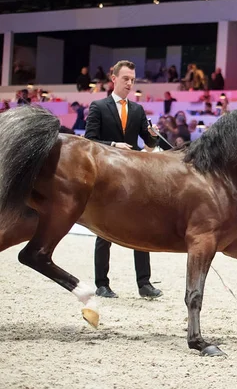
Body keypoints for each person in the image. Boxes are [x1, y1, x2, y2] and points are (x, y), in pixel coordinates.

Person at [84, 60, 163, 299]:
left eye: (132, 80)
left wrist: (152, 137)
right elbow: (89, 141)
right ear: (114, 78)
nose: (130, 83)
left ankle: (144, 283)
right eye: (126, 78)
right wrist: (113, 145)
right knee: (104, 232)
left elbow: (149, 146)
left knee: (141, 228)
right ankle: (102, 284)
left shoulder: (138, 110)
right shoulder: (98, 106)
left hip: (133, 177)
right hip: (107, 177)